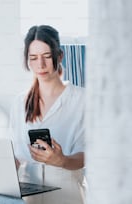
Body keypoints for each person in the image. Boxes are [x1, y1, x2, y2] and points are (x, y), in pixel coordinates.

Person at [9, 25, 85, 204]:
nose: (40, 65)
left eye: (46, 57)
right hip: (27, 196)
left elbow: (89, 154)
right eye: (33, 58)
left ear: (59, 56)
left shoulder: (83, 99)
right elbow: (16, 155)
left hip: (67, 196)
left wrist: (62, 160)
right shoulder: (20, 102)